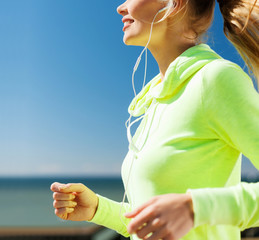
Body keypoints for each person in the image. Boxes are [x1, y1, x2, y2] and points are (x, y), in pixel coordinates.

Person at [51, 0, 259, 239]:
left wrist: (195, 208)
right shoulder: (156, 98)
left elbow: (186, 210)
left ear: (174, 4)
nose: (121, 7)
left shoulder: (215, 80)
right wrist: (98, 208)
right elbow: (155, 218)